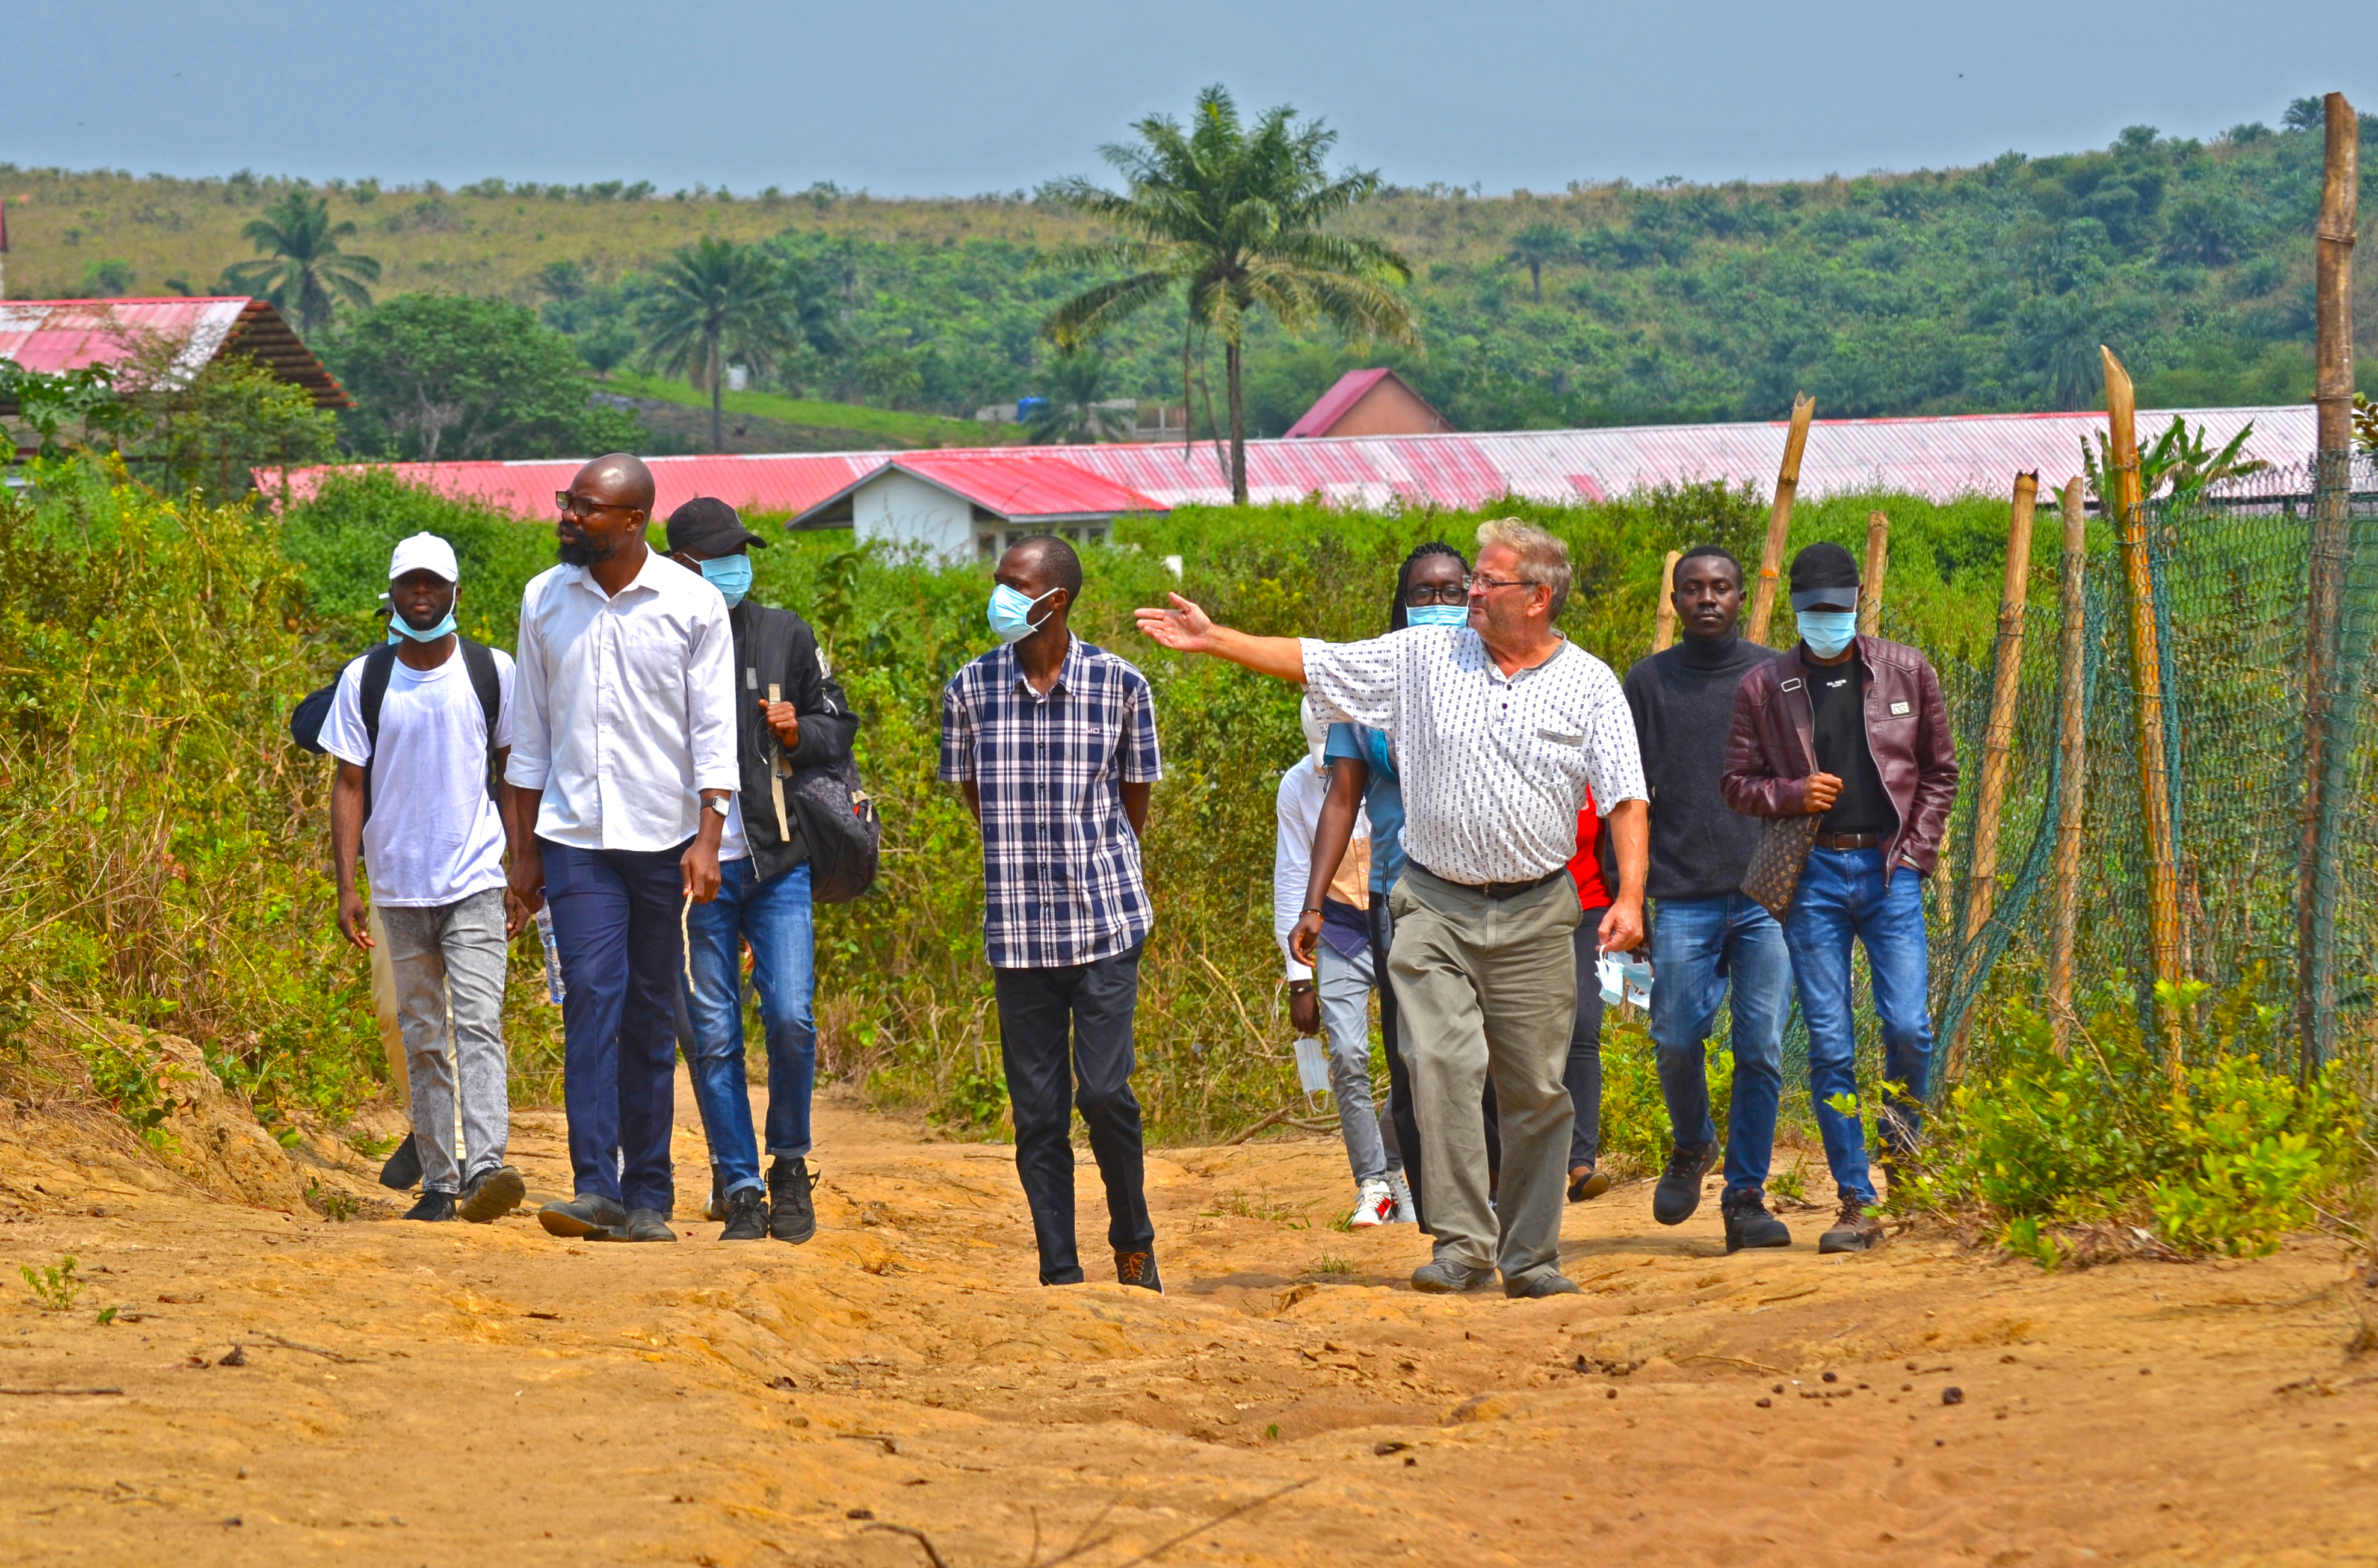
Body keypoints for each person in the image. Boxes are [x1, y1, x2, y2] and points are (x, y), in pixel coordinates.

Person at [1140, 519, 1649, 1298]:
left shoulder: (1590, 683)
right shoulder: (1422, 657)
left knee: (1537, 1086)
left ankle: (1531, 1253)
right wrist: (1217, 639)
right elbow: (1314, 659)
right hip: (1433, 903)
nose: (1470, 594)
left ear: (1540, 598)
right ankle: (1461, 1244)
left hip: (1540, 912)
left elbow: (1624, 796)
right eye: (1469, 578)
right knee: (1439, 1066)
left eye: (1488, 582)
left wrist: (1631, 895)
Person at [507, 454, 739, 1245]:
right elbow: (529, 734)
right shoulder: (545, 597)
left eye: (586, 507)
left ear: (633, 519)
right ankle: (594, 1186)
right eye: (567, 503)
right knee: (591, 997)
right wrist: (523, 852)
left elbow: (714, 732)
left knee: (649, 1008)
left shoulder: (692, 604)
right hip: (574, 840)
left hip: (665, 839)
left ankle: (650, 1194)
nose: (569, 517)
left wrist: (711, 838)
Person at [939, 536, 1164, 1291]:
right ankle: (1059, 1272)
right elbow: (975, 796)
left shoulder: (1121, 685)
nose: (999, 595)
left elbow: (1134, 802)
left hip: (1104, 923)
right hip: (1018, 935)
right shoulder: (969, 690)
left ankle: (1133, 1245)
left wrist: (1088, 858)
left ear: (1054, 599)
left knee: (1103, 1094)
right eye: (998, 581)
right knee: (1037, 1115)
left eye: (1013, 584)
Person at [1722, 541, 1957, 1254]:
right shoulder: (1764, 688)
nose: (1830, 620)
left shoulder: (1906, 670)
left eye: (1841, 608)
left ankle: (1905, 1155)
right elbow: (1737, 782)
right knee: (1829, 1043)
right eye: (1817, 609)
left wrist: (1915, 851)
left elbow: (1940, 771)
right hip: (1813, 875)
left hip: (1889, 872)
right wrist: (1792, 794)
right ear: (1796, 608)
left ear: (1859, 604)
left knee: (1908, 1025)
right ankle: (1855, 1196)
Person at [663, 498, 857, 1244]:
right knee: (713, 1034)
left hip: (777, 862)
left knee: (790, 1017)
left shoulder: (785, 634)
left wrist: (801, 730)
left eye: (740, 552)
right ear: (681, 563)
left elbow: (837, 725)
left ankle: (788, 1164)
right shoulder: (659, 640)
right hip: (693, 870)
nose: (733, 567)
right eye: (717, 556)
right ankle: (739, 1186)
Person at [323, 533, 526, 1224]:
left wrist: (524, 870)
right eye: (409, 583)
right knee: (422, 1036)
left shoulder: (490, 671)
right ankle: (439, 1181)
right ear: (393, 593)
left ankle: (486, 1168)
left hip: (474, 880)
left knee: (477, 1023)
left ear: (454, 592)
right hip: (398, 889)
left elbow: (515, 779)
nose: (421, 595)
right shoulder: (366, 678)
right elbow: (349, 782)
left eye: (433, 584)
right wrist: (348, 885)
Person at [1623, 545, 1794, 1253]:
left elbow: (1801, 782)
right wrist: (1626, 895)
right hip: (1682, 894)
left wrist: (1791, 883)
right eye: (1692, 588)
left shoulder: (1775, 676)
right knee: (1673, 1036)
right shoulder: (1649, 683)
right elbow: (1625, 792)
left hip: (1762, 897)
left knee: (1761, 1045)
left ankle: (1746, 1196)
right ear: (1677, 595)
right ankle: (1692, 1141)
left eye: (1720, 586)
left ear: (1740, 594)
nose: (1707, 599)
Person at [1299, 542, 1468, 1231]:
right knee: (1413, 1055)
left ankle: (1484, 1192)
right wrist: (1312, 903)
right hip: (1399, 896)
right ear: (1399, 602)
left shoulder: (1493, 672)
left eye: (1451, 590)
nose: (1436, 604)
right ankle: (1438, 1211)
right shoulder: (1364, 687)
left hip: (1485, 890)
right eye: (1422, 593)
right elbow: (1342, 800)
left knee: (1478, 1053)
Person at [1274, 697, 1404, 1229]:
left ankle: (1399, 1168)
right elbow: (1292, 873)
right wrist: (1298, 979)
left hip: (1400, 921)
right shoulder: (1296, 787)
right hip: (1339, 929)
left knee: (1419, 1055)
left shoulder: (1393, 767)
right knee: (1349, 1054)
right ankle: (1372, 1182)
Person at [1561, 800, 1616, 1203]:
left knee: (1583, 1027)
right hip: (1528, 911)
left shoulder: (1598, 769)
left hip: (1590, 905)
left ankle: (1581, 1164)